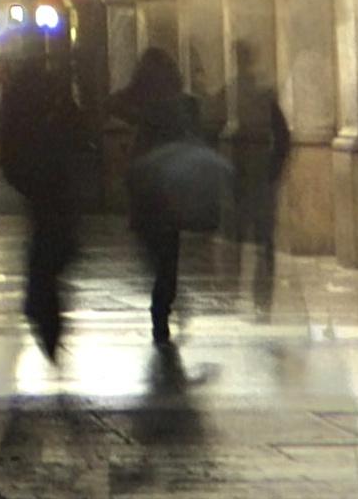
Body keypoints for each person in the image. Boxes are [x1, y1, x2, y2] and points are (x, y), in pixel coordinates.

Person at [119, 47, 229, 365]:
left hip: (148, 190)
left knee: (158, 257)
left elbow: (114, 105)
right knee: (167, 258)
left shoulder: (146, 109)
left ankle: (162, 309)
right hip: (170, 191)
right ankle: (162, 309)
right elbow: (196, 139)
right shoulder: (185, 106)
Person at [0, 41, 95, 365]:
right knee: (57, 244)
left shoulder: (16, 94)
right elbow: (78, 128)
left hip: (36, 181)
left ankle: (41, 307)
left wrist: (20, 177)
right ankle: (44, 311)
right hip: (58, 178)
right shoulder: (55, 90)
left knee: (43, 242)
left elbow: (8, 142)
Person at [223, 50, 292, 315]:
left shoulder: (234, 93)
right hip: (254, 175)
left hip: (248, 176)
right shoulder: (258, 95)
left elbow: (282, 136)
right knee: (260, 239)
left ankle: (247, 294)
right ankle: (260, 296)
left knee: (246, 239)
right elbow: (283, 137)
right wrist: (274, 169)